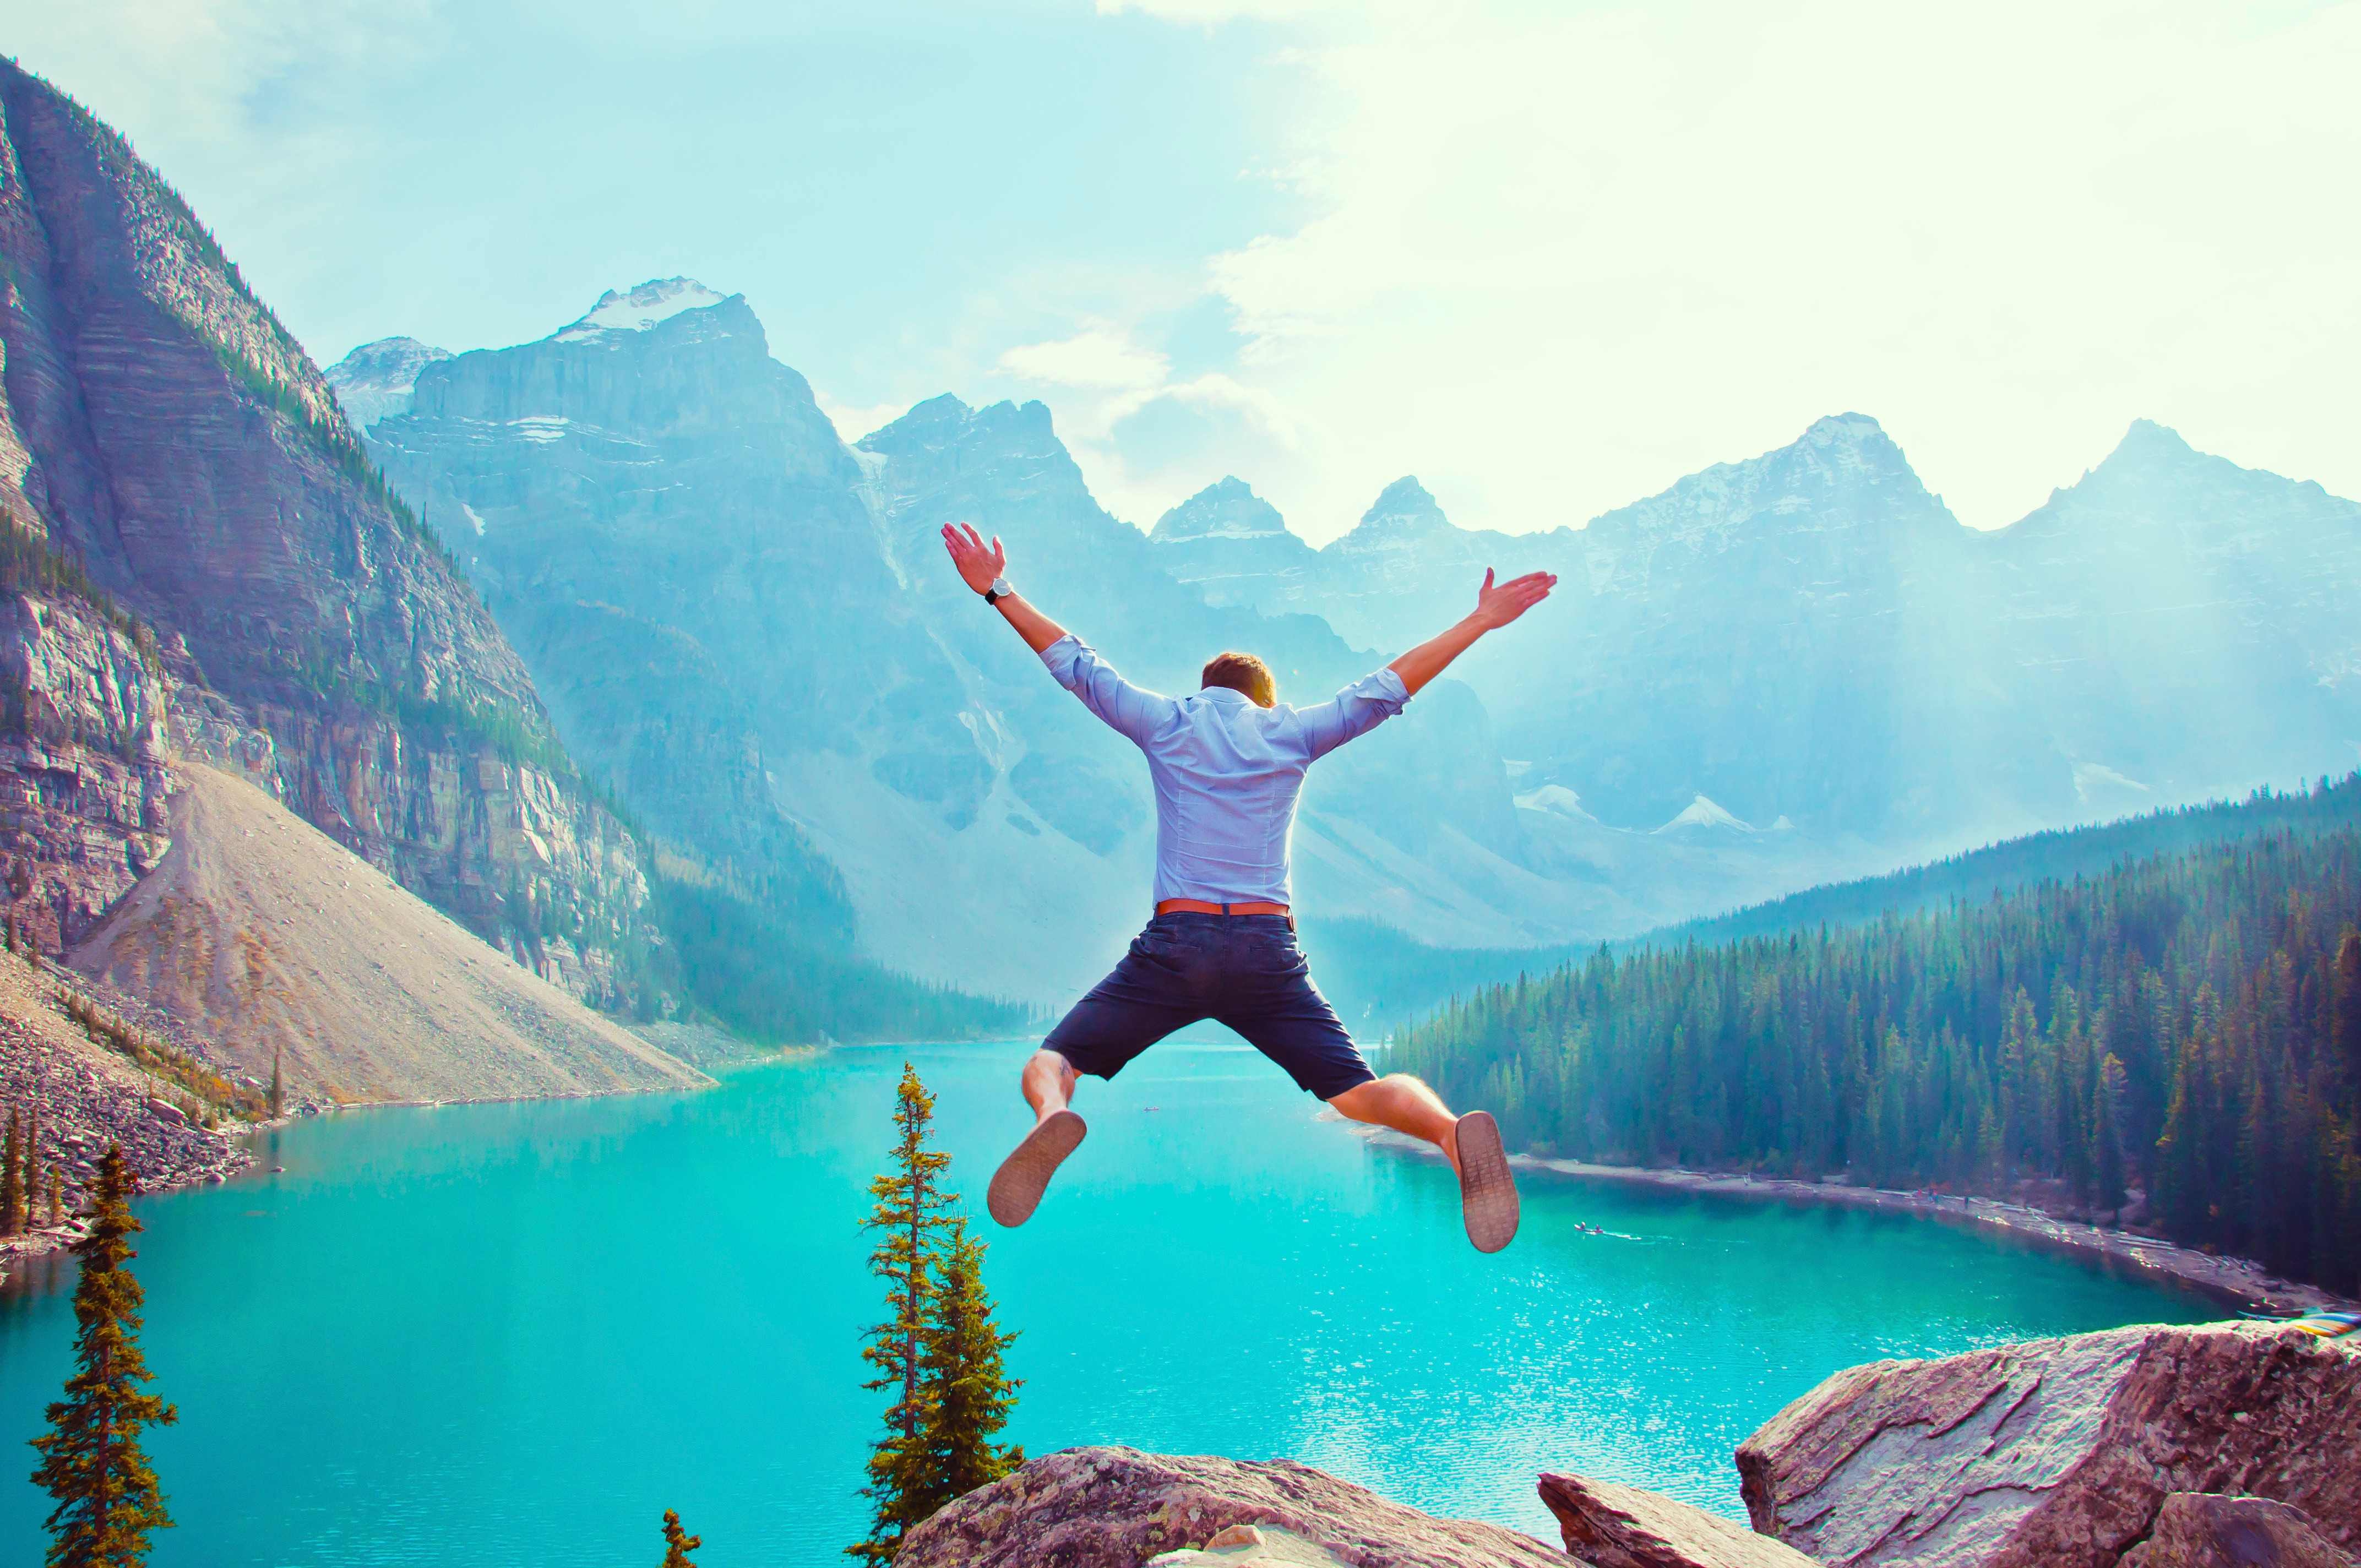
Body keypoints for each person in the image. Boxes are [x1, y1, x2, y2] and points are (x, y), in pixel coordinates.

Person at [942, 522, 1557, 1253]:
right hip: (1267, 950)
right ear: (1265, 698)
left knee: (1053, 1062)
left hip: (1178, 945)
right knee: (1357, 1091)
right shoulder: (1291, 732)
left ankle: (1050, 1120)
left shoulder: (1167, 722)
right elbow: (1390, 686)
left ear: (1206, 690)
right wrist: (1481, 621)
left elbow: (1074, 663)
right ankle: (1453, 1136)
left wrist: (997, 589)